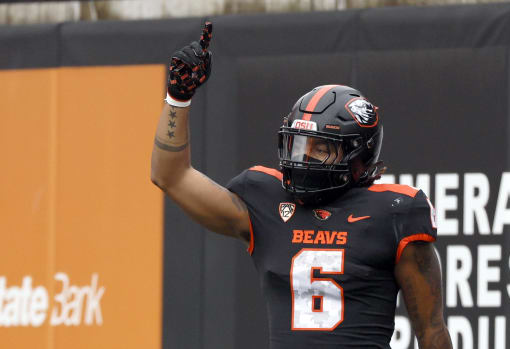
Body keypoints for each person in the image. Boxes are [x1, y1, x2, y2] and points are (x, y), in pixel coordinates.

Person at [151, 22, 453, 349]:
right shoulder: (266, 200)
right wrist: (178, 99)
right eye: (298, 145)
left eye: (319, 149)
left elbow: (432, 332)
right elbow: (171, 176)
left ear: (358, 156)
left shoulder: (395, 213)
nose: (303, 159)